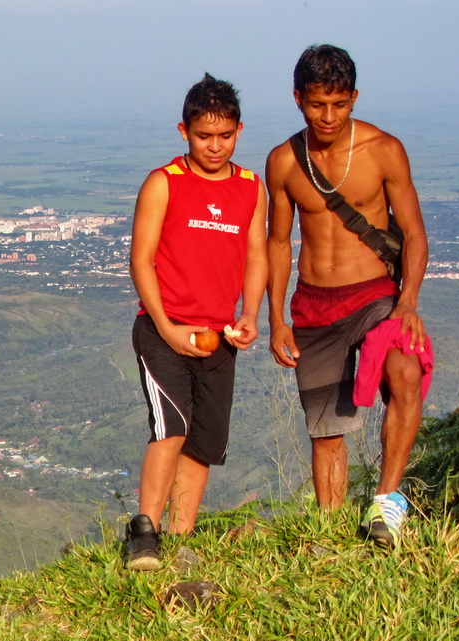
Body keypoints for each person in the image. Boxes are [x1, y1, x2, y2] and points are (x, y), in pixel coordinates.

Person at [265, 44, 430, 549]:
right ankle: (333, 534)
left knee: (405, 370)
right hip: (313, 305)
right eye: (318, 104)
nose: (329, 116)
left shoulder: (384, 150)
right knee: (326, 430)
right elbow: (277, 242)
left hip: (376, 295)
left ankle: (386, 504)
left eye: (339, 103)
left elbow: (417, 235)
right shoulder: (283, 162)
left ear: (354, 98)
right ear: (298, 99)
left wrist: (407, 303)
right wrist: (276, 319)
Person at [125, 73, 267, 570]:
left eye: (224, 136)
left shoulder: (251, 188)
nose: (214, 146)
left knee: (204, 438)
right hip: (164, 328)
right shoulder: (164, 183)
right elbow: (141, 259)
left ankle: (183, 538)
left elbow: (255, 256)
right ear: (183, 131)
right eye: (204, 136)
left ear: (239, 131)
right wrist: (165, 327)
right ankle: (144, 532)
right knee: (171, 426)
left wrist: (250, 315)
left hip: (219, 335)